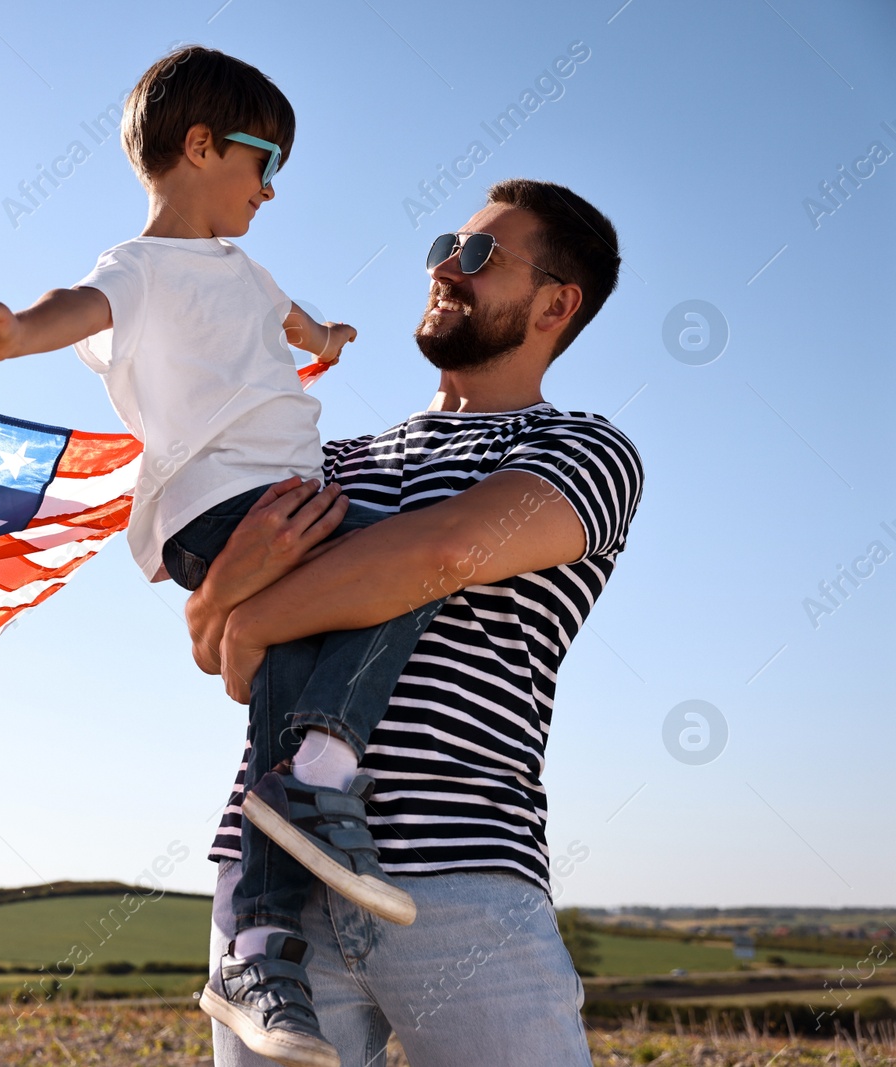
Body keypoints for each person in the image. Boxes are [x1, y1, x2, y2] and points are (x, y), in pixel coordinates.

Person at [0, 46, 446, 1067]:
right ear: (201, 146)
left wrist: (330, 332)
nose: (270, 190)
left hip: (283, 496)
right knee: (396, 568)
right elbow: (67, 313)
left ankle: (261, 944)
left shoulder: (248, 271)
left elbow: (294, 319)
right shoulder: (139, 268)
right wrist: (3, 332)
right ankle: (316, 771)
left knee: (373, 594)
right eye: (263, 164)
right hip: (222, 500)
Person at [187, 179, 644, 1066]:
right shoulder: (327, 460)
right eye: (443, 246)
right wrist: (222, 602)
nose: (445, 267)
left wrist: (258, 613)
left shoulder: (581, 449)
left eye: (479, 256)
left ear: (556, 303)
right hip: (270, 892)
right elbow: (219, 653)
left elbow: (446, 551)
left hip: (461, 873)